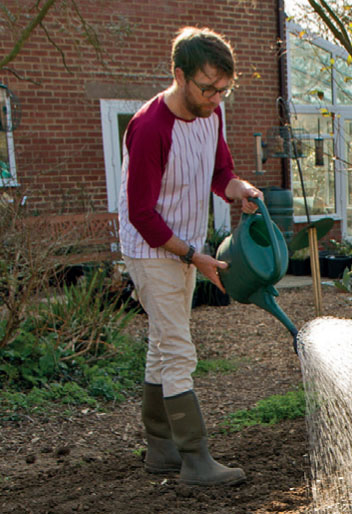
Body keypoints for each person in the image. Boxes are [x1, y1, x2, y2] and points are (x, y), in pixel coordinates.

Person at [119, 26, 263, 487]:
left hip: (183, 247)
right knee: (179, 347)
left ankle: (161, 450)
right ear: (178, 75)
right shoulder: (149, 128)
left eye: (224, 89)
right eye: (207, 88)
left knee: (163, 343)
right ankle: (196, 460)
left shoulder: (211, 116)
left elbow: (220, 170)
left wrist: (237, 189)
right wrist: (194, 255)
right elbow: (141, 213)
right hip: (150, 248)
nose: (215, 97)